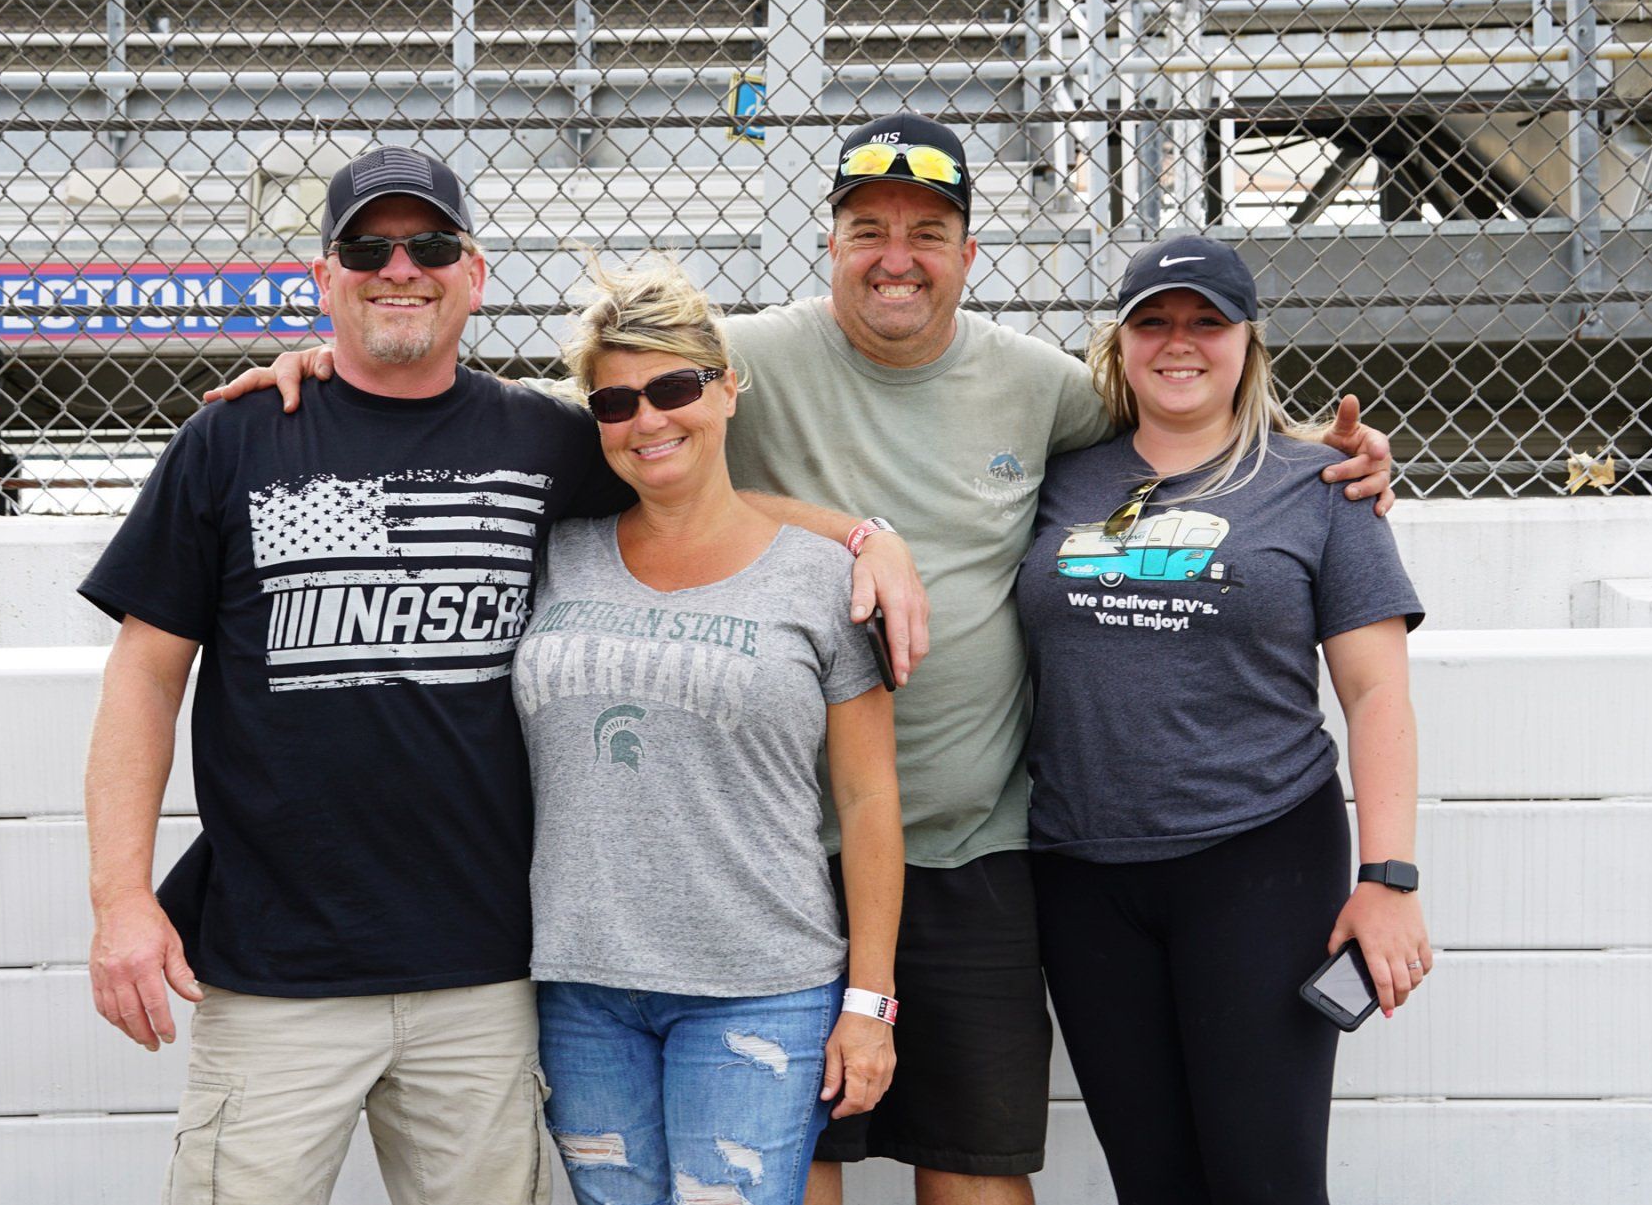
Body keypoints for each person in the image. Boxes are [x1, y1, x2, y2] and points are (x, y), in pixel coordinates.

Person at [208, 113, 1397, 1205]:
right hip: (779, 862)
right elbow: (607, 416)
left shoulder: (1040, 388)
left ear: (969, 253)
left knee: (975, 1169)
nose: (896, 258)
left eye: (927, 233)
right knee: (792, 1171)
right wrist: (328, 374)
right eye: (868, 229)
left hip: (972, 845)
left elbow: (1178, 424)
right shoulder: (737, 359)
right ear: (828, 243)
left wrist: (1319, 461)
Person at [78, 145, 637, 1204]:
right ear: (324, 277)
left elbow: (704, 488)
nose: (400, 268)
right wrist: (121, 900)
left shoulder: (551, 442)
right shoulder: (232, 438)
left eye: (430, 244)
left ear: (475, 273)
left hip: (485, 967)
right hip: (274, 972)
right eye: (367, 249)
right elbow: (144, 677)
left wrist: (860, 535)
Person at [1020, 236, 1429, 1204]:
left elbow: (1377, 693)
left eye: (1208, 321)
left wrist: (1389, 879)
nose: (1180, 342)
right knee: (1152, 1181)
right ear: (1119, 343)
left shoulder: (1321, 486)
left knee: (1264, 1179)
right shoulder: (1057, 477)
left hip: (1259, 861)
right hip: (1082, 872)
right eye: (1154, 322)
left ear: (1249, 342)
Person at [513, 254, 904, 1204]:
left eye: (674, 388)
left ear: (728, 389)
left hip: (760, 982)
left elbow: (868, 798)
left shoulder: (820, 577)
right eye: (615, 403)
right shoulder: (555, 552)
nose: (648, 419)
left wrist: (871, 1002)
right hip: (579, 985)